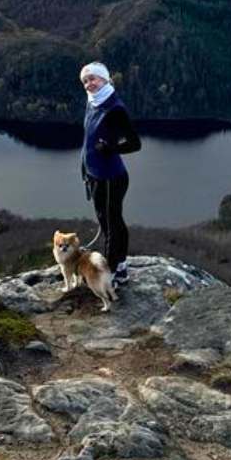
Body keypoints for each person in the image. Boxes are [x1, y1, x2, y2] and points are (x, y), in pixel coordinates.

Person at [79, 61, 141, 289]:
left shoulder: (115, 108)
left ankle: (111, 274)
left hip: (110, 178)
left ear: (105, 79)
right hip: (96, 176)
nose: (89, 84)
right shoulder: (93, 102)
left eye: (93, 79)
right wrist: (84, 168)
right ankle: (121, 268)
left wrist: (111, 149)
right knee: (111, 224)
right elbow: (88, 140)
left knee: (111, 228)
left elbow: (135, 143)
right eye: (85, 81)